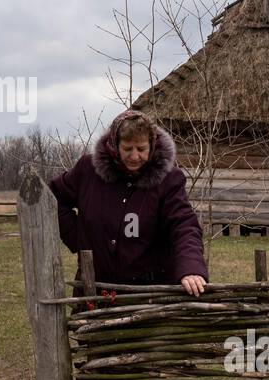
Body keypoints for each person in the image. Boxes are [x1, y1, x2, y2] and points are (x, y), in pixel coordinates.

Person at [48, 109, 208, 302]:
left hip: (147, 295)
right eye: (127, 148)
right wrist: (79, 239)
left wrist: (191, 268)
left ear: (152, 145)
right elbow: (53, 198)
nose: (134, 156)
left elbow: (184, 225)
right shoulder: (88, 171)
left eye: (141, 149)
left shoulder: (168, 180)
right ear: (115, 145)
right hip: (95, 291)